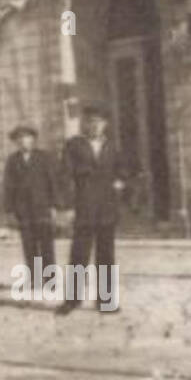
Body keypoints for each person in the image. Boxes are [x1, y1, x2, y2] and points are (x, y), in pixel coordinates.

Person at [57, 104, 132, 314]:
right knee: (79, 254)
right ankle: (72, 301)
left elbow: (124, 169)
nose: (95, 126)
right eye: (91, 122)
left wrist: (121, 181)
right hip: (84, 206)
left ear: (105, 125)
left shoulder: (112, 146)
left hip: (107, 207)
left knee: (106, 255)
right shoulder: (73, 145)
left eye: (99, 122)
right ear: (85, 124)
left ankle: (106, 301)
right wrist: (69, 206)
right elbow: (65, 176)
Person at [3, 124, 62, 289]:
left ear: (33, 139)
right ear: (16, 142)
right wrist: (9, 210)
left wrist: (54, 205)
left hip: (42, 207)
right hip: (23, 210)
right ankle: (35, 280)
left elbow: (52, 182)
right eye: (19, 138)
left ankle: (50, 281)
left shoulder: (44, 157)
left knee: (46, 246)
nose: (23, 141)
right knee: (29, 245)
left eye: (27, 137)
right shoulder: (12, 160)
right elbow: (8, 186)